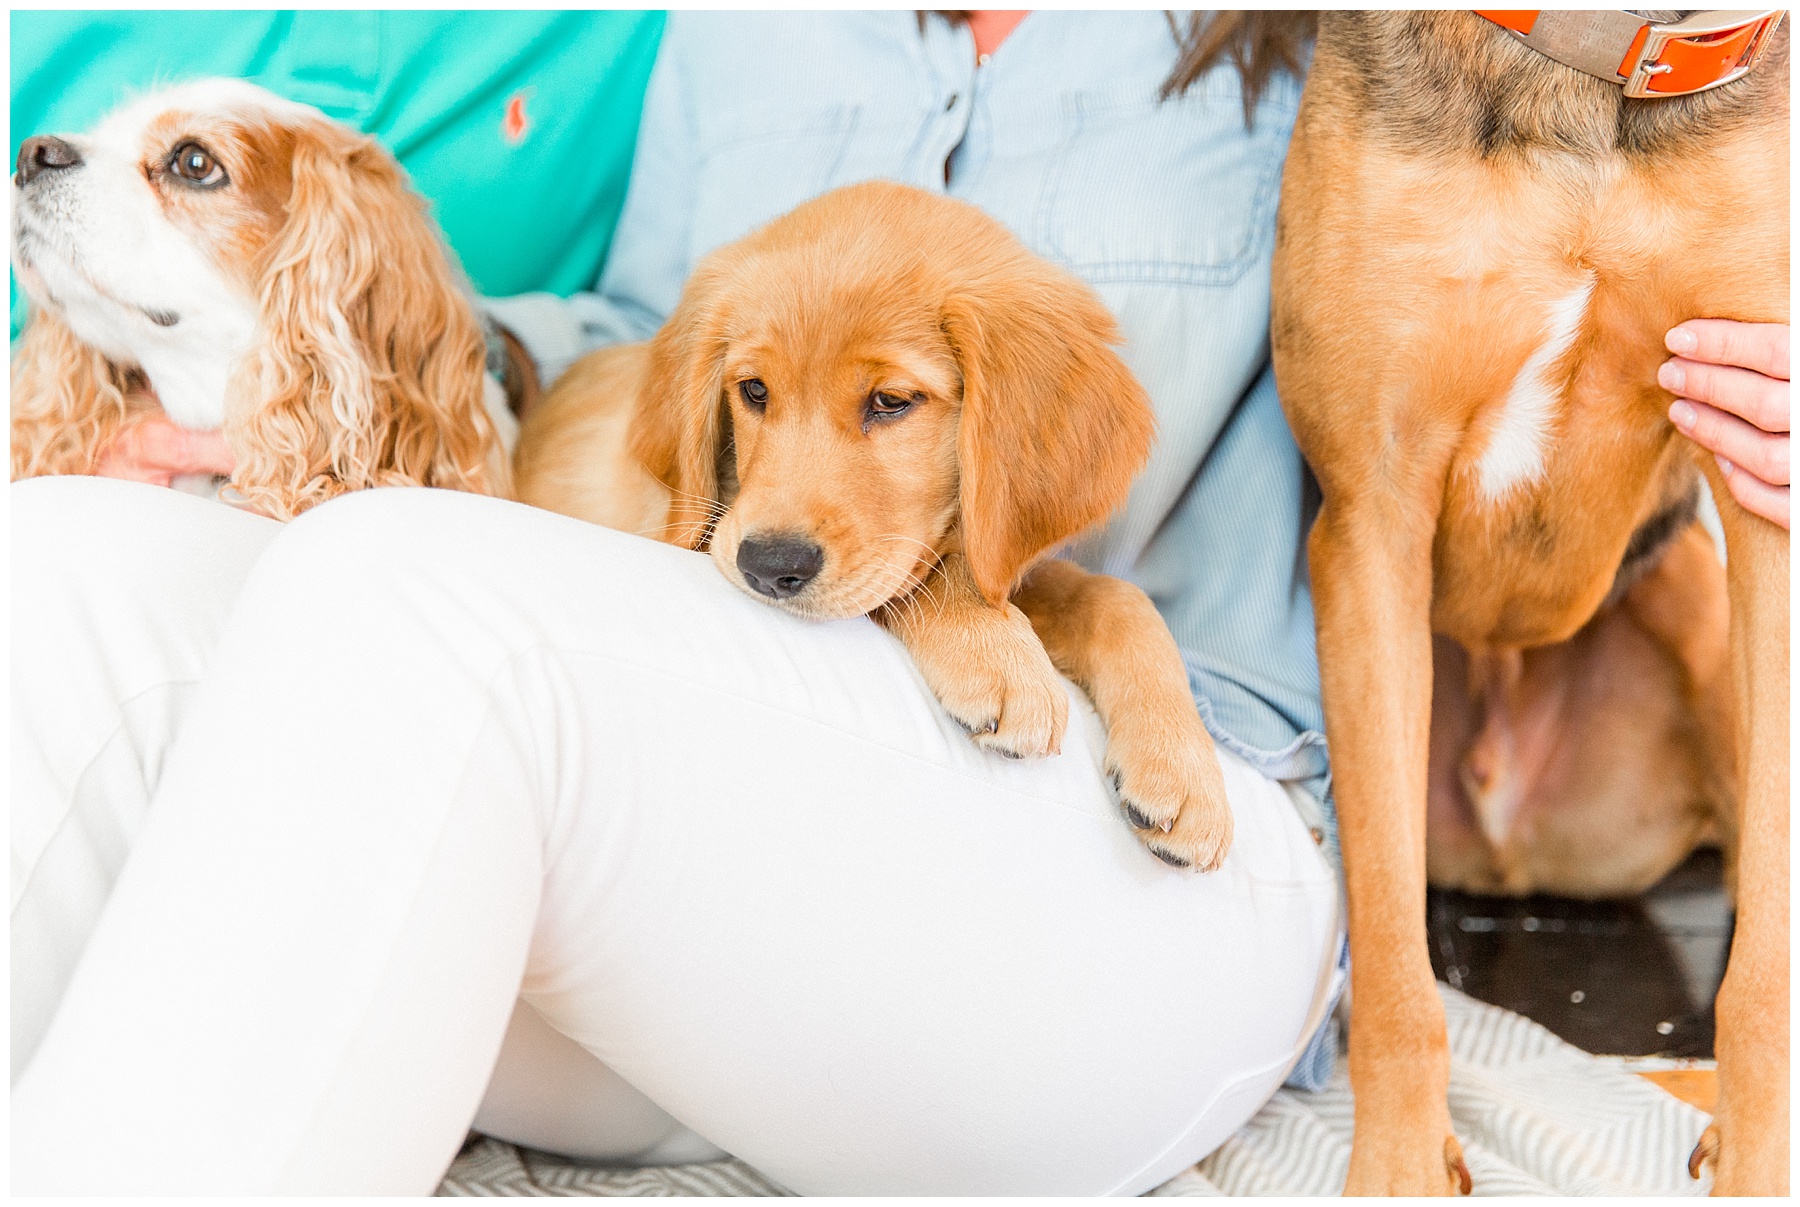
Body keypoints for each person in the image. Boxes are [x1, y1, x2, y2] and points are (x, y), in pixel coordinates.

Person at [9, 11, 1789, 1196]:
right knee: (68, 565)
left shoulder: (1315, 35)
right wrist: (384, 364)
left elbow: (1611, 160)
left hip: (1134, 845)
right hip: (717, 878)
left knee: (399, 592)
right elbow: (647, 346)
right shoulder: (755, 25)